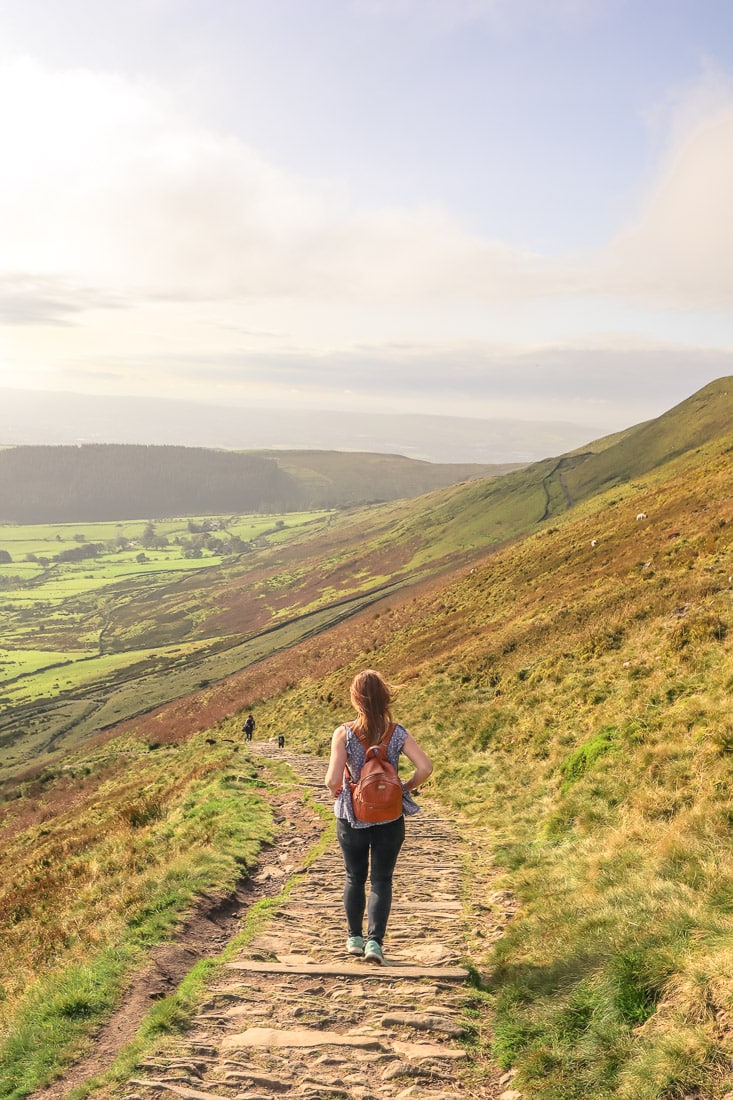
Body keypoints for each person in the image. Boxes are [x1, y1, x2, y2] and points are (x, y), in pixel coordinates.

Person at [324, 669, 433, 966]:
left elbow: (332, 779)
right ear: (386, 696)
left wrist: (338, 792)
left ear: (355, 699)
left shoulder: (344, 733)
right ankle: (375, 943)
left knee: (354, 877)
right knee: (382, 880)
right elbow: (425, 767)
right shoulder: (397, 732)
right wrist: (404, 789)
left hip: (352, 817)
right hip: (389, 817)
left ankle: (354, 938)